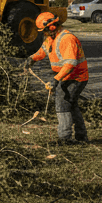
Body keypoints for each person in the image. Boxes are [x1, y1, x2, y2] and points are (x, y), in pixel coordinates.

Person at [29, 12, 88, 144]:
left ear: (52, 27)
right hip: (65, 76)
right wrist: (32, 59)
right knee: (71, 105)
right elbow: (43, 51)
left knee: (62, 104)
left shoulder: (67, 38)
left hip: (75, 77)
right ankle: (81, 136)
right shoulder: (51, 38)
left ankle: (65, 137)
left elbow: (71, 63)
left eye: (44, 30)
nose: (43, 33)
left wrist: (56, 79)